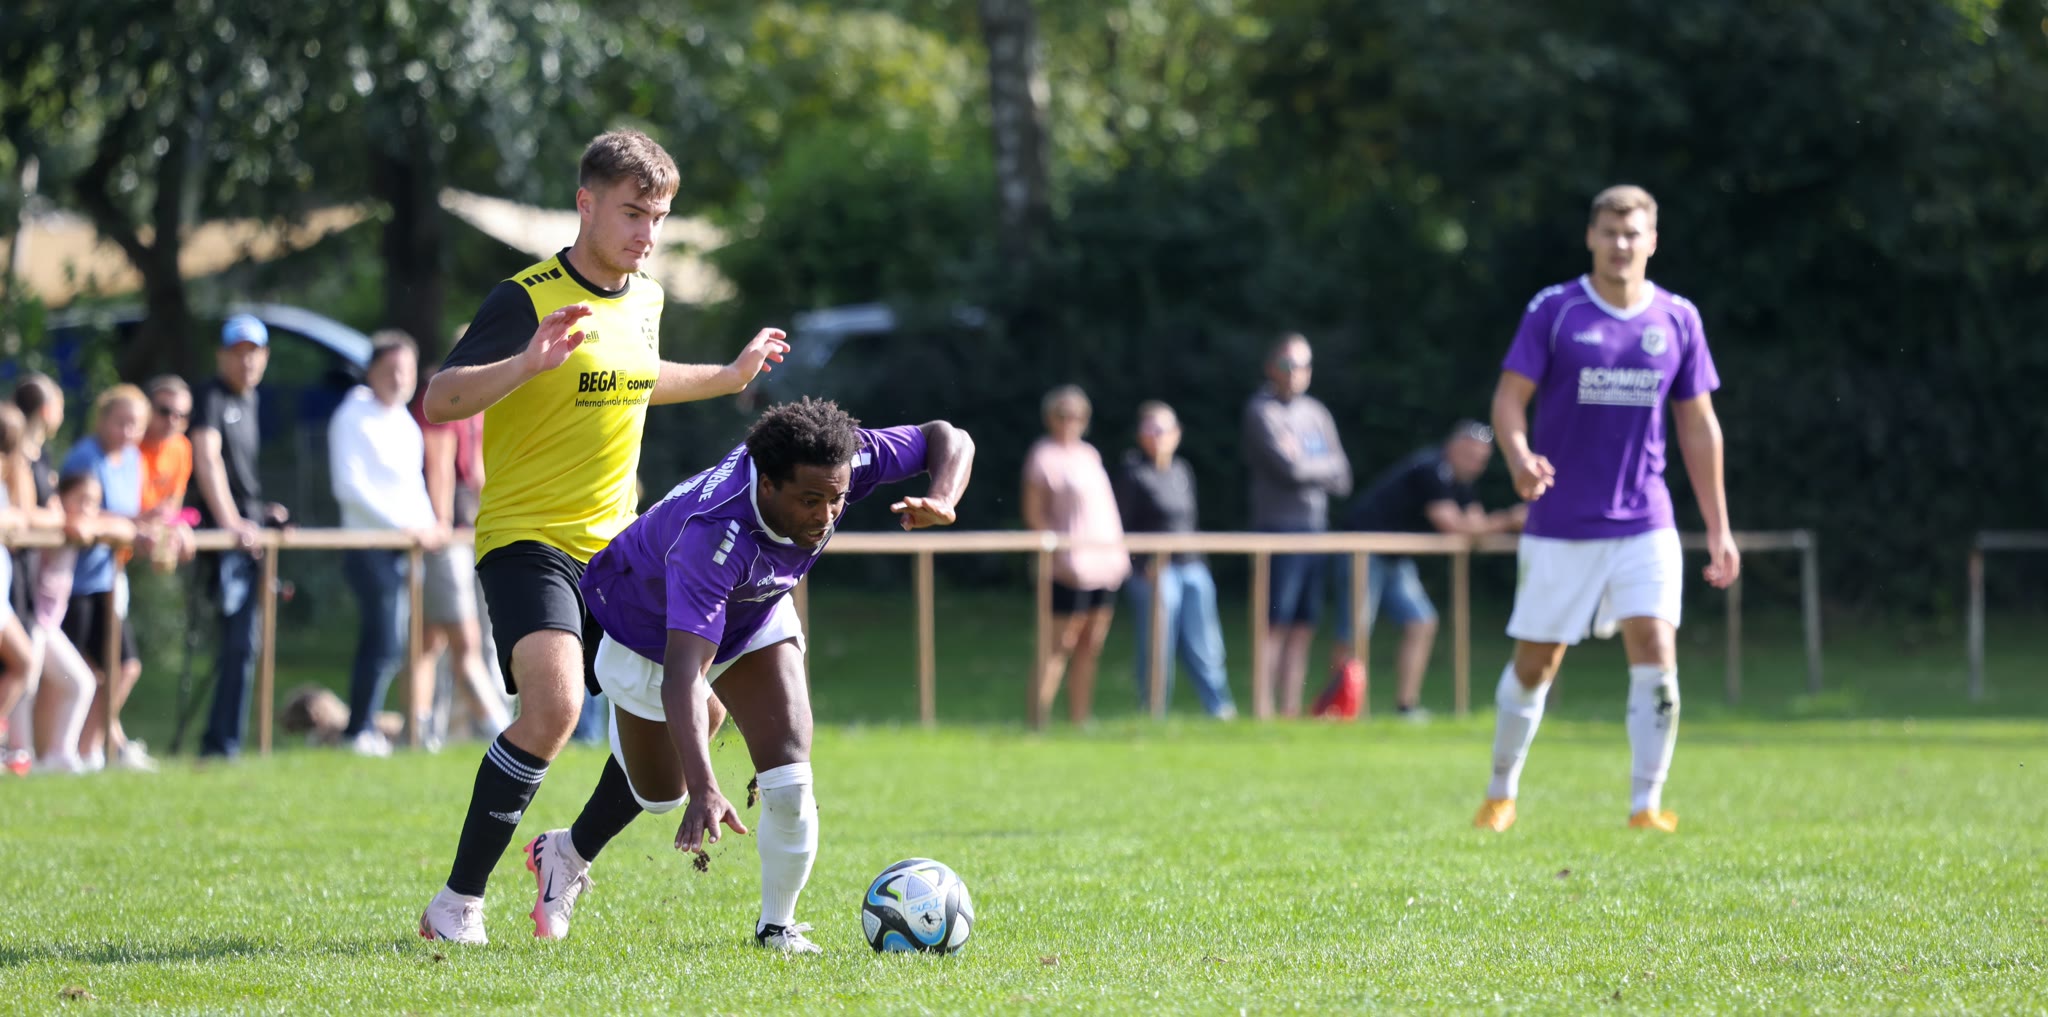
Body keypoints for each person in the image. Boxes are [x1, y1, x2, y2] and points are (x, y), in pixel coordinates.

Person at [414, 128, 789, 944]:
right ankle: (457, 903)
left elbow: (636, 378)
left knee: (698, 716)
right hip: (528, 540)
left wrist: (728, 376)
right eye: (632, 213)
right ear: (585, 204)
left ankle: (568, 853)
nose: (646, 233)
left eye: (658, 218)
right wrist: (525, 364)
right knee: (553, 707)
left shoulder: (646, 299)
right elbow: (439, 399)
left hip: (618, 552)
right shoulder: (525, 298)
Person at [521, 398, 973, 953]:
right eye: (810, 501)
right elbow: (683, 674)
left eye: (836, 499)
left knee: (791, 773)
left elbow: (946, 435)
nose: (827, 515)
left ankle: (777, 928)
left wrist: (943, 497)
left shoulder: (839, 462)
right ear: (768, 485)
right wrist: (704, 787)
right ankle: (565, 852)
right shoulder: (714, 535)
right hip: (648, 630)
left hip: (754, 606)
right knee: (662, 793)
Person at [1474, 185, 1737, 835]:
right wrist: (1519, 456)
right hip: (1561, 523)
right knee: (1537, 663)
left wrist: (1719, 528)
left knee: (1656, 646)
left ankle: (1646, 805)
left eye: (1633, 233)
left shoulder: (1677, 318)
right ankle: (1500, 794)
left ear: (1653, 241)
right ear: (1590, 237)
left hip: (1646, 519)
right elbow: (1508, 399)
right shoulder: (1555, 310)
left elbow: (1699, 425)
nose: (1621, 244)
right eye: (1610, 232)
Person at [1331, 421, 1525, 721]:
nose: (1476, 465)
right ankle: (1339, 708)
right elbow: (1454, 526)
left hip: (1395, 556)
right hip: (1364, 550)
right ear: (1452, 448)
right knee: (1355, 632)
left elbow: (1475, 525)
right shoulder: (1431, 469)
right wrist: (1510, 519)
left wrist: (1491, 524)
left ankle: (1406, 707)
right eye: (1470, 456)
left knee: (1421, 622)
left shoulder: (1461, 481)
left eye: (1481, 460)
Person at [329, 331, 445, 756]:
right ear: (371, 371)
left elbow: (413, 486)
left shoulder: (404, 422)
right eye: (391, 369)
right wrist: (405, 527)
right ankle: (358, 730)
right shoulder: (351, 416)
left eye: (407, 370)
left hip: (405, 547)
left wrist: (430, 525)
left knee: (394, 642)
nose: (400, 378)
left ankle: (368, 727)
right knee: (384, 641)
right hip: (367, 545)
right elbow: (349, 488)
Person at [195, 315, 293, 759]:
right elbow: (208, 459)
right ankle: (221, 743)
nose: (246, 361)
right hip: (222, 540)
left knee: (245, 644)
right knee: (238, 643)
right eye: (237, 352)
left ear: (265, 357)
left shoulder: (250, 400)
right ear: (221, 355)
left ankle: (225, 741)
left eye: (253, 353)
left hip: (246, 535)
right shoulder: (210, 396)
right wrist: (232, 521)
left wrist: (261, 512)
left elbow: (239, 479)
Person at [1241, 333, 1351, 718]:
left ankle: (1289, 711)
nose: (1295, 373)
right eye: (1287, 365)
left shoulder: (1317, 414)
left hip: (1315, 531)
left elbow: (1343, 476)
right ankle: (1263, 709)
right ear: (1271, 368)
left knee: (1303, 626)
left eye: (1303, 365)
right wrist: (1317, 466)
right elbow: (1286, 470)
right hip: (1277, 530)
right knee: (1274, 623)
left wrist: (1306, 463)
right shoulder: (1261, 411)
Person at [412, 355, 511, 747]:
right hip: (447, 533)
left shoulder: (486, 401)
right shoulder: (448, 394)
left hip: (472, 531)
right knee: (456, 639)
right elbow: (438, 462)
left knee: (440, 639)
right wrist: (441, 520)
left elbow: (482, 472)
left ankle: (435, 731)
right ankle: (495, 729)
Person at [1112, 401, 1234, 719]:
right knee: (1157, 646)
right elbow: (1120, 527)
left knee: (1206, 645)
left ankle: (1220, 710)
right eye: (1149, 429)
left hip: (1192, 567)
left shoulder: (1182, 470)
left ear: (1176, 434)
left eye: (1162, 429)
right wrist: (1140, 565)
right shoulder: (1132, 473)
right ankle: (1153, 712)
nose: (1156, 436)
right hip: (1154, 572)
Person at [1021, 386, 1128, 728]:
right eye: (1062, 415)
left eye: (1077, 415)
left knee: (1090, 645)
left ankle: (1080, 720)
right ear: (1050, 418)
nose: (1070, 421)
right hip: (1067, 568)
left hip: (1103, 563)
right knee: (1057, 646)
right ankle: (1038, 721)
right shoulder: (1043, 456)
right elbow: (1034, 513)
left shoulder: (1090, 455)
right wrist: (1058, 551)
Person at [60, 384, 154, 771]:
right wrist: (129, 526)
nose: (128, 432)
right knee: (81, 672)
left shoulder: (133, 459)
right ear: (102, 420)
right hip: (73, 582)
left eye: (136, 424)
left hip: (107, 580)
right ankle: (62, 749)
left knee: (124, 666)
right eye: (120, 422)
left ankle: (90, 749)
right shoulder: (84, 457)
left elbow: (131, 512)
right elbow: (80, 512)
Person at [6, 375, 94, 774]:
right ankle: (20, 753)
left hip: (27, 581)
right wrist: (59, 520)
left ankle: (38, 754)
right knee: (24, 666)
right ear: (47, 409)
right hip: (18, 578)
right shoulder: (18, 456)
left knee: (39, 669)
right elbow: (25, 514)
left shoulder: (40, 455)